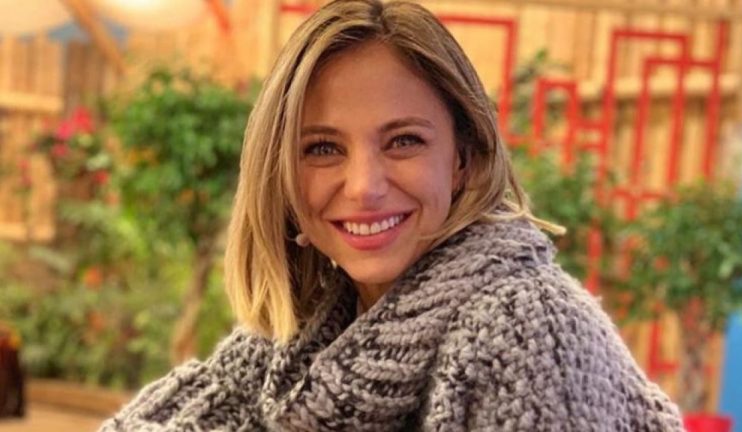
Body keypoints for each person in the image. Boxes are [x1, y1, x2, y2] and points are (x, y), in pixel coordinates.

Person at [99, 0, 683, 430]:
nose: (364, 187)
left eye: (404, 141)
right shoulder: (309, 336)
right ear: (281, 178)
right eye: (322, 148)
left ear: (463, 158)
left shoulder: (527, 325)